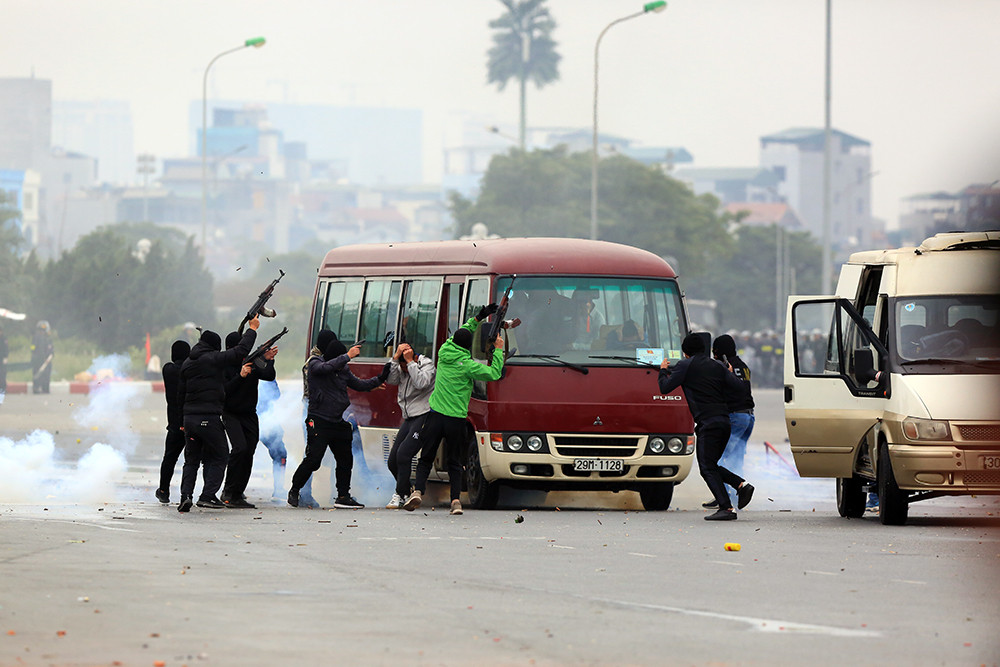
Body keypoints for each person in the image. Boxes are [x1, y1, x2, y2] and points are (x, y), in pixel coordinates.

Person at [404, 304, 504, 516]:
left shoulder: (444, 350)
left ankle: (418, 492)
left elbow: (464, 330)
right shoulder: (469, 366)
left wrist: (480, 316)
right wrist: (499, 349)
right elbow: (494, 373)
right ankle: (456, 502)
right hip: (456, 420)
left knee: (426, 458)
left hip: (435, 416)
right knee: (455, 463)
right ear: (468, 347)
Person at [658, 333, 755, 521]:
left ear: (685, 352)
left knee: (706, 467)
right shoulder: (717, 366)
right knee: (712, 464)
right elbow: (740, 389)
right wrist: (727, 372)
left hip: (708, 424)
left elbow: (665, 387)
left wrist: (663, 370)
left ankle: (727, 508)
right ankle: (741, 486)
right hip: (724, 422)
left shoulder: (685, 365)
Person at [287, 333, 390, 509]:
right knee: (313, 459)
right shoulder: (315, 364)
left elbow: (359, 384)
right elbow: (326, 368)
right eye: (342, 359)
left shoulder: (343, 369)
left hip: (337, 421)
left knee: (345, 459)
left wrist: (380, 378)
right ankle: (295, 490)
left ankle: (343, 495)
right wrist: (347, 356)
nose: (345, 363)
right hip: (318, 420)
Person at [176, 319, 258, 513]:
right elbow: (239, 352)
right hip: (208, 417)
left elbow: (180, 395)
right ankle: (207, 496)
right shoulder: (211, 359)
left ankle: (185, 496)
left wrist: (181, 421)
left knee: (191, 460)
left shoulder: (188, 363)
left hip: (189, 419)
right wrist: (252, 330)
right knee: (220, 455)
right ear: (214, 346)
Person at [220, 330, 278, 508]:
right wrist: (241, 376)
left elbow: (269, 375)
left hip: (249, 413)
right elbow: (224, 391)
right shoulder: (224, 365)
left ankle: (238, 492)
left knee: (249, 450)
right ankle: (228, 491)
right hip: (230, 413)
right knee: (239, 448)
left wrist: (268, 360)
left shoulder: (252, 362)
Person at [702, 334, 755, 510]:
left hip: (734, 416)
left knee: (719, 459)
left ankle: (723, 496)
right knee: (736, 458)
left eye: (715, 352)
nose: (713, 355)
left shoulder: (725, 367)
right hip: (748, 417)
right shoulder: (743, 366)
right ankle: (735, 493)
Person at [383, 341, 436, 509]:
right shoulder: (401, 366)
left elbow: (422, 383)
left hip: (424, 414)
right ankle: (406, 492)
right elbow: (391, 380)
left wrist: (411, 363)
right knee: (392, 461)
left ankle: (399, 494)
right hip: (409, 417)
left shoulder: (426, 365)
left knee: (404, 454)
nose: (403, 370)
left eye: (405, 366)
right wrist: (395, 359)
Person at [155, 340, 190, 504]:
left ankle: (163, 490)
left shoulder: (168, 370)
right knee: (194, 460)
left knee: (169, 459)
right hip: (191, 420)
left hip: (175, 423)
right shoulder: (191, 369)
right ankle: (188, 493)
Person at [257, 379, 289, 500]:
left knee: (280, 453)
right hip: (249, 418)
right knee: (242, 454)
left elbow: (275, 394)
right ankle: (233, 490)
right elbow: (276, 394)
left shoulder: (267, 369)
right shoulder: (263, 369)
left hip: (265, 419)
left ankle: (279, 489)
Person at [31, 320, 54, 394]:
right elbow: (38, 349)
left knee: (39, 373)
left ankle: (41, 388)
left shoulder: (38, 337)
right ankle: (41, 388)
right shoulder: (42, 338)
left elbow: (32, 349)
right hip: (42, 360)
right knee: (42, 374)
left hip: (42, 359)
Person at [0, 324, 8, 397]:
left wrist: (5, 357)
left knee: (2, 375)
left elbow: (6, 349)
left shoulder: (3, 339)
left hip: (2, 360)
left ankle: (2, 389)